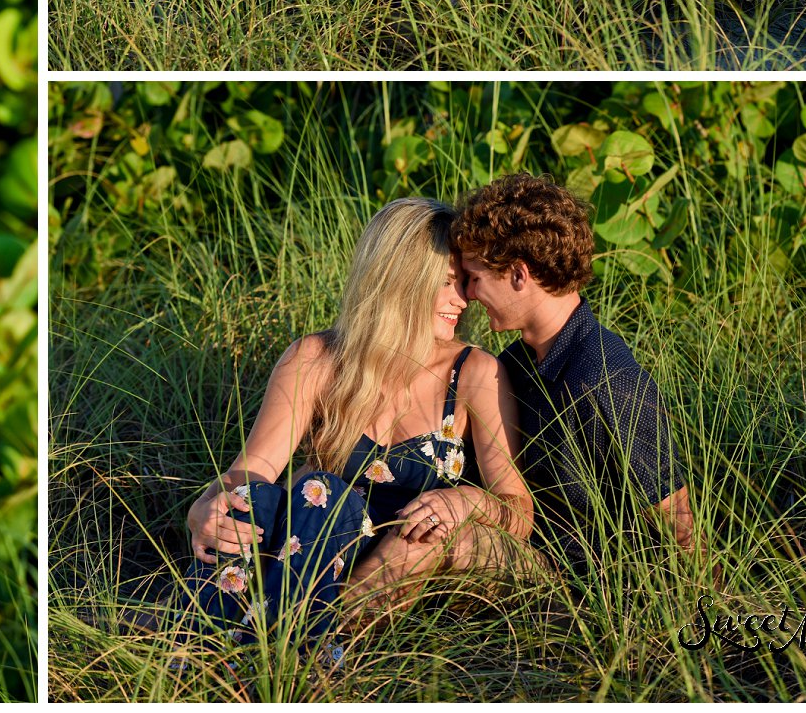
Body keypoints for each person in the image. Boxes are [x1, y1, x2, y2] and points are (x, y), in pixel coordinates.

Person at [182, 198, 532, 644]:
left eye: (464, 282)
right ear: (399, 282)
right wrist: (205, 507)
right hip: (316, 546)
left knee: (348, 504)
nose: (462, 299)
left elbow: (519, 512)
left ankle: (262, 644)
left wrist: (465, 501)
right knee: (267, 499)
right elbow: (252, 470)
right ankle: (224, 642)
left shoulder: (475, 372)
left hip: (406, 558)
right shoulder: (315, 359)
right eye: (447, 283)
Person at [452, 173, 696, 572]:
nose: (470, 294)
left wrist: (714, 609)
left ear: (518, 274)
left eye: (475, 278)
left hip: (591, 588)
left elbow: (674, 516)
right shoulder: (518, 363)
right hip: (531, 555)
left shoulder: (605, 376)